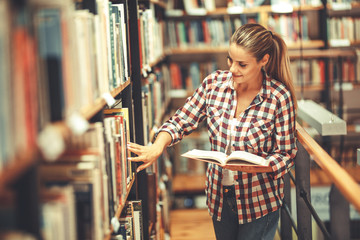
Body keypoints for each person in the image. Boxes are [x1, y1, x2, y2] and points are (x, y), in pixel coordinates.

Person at [128, 23, 298, 240]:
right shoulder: (214, 84)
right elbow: (181, 120)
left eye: (242, 64)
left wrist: (260, 167)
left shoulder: (278, 97)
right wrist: (157, 146)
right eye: (230, 60)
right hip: (220, 197)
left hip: (259, 200)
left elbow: (286, 154)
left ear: (263, 60)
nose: (233, 69)